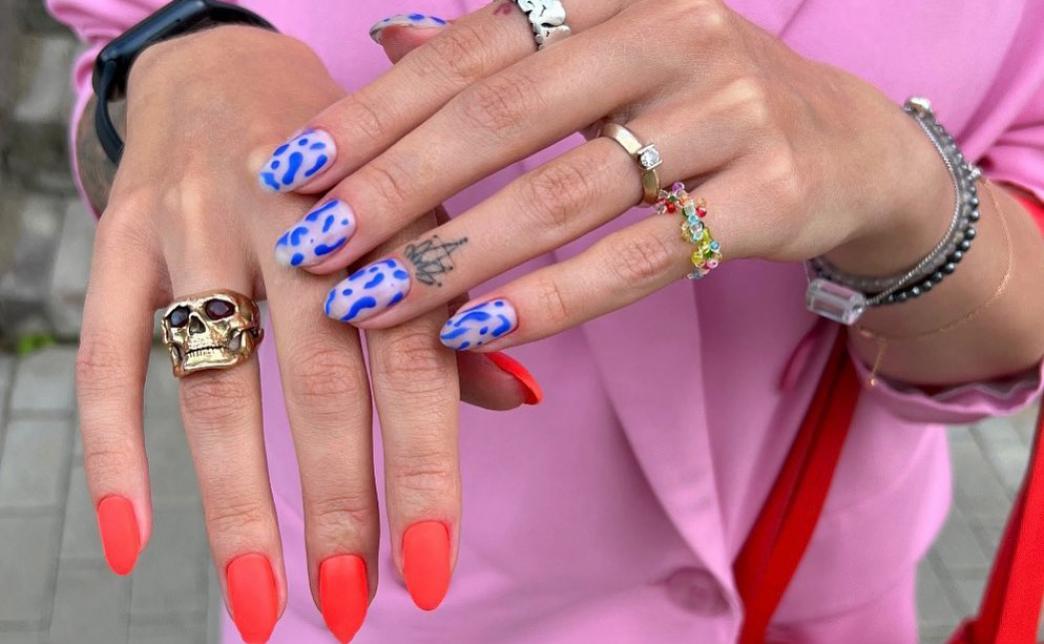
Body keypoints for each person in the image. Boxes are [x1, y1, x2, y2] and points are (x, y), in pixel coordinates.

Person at [48, 0, 1044, 642]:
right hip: (394, 589)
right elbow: (118, 58)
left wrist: (905, 188)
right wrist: (184, 58)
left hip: (808, 577)